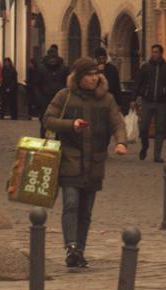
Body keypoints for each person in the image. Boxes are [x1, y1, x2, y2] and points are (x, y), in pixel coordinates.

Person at [42, 56, 127, 270]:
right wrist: (71, 124)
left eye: (96, 74)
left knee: (86, 211)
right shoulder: (65, 96)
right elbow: (48, 120)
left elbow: (117, 122)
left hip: (95, 162)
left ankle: (80, 250)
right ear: (79, 77)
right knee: (71, 203)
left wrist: (121, 142)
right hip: (70, 159)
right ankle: (70, 246)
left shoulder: (106, 99)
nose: (94, 78)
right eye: (89, 74)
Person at [131, 44, 166, 162]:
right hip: (147, 101)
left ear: (161, 53)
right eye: (152, 52)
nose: (154, 54)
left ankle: (157, 155)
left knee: (160, 129)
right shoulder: (145, 67)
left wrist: (164, 90)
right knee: (143, 128)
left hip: (161, 103)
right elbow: (137, 83)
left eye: (156, 52)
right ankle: (145, 146)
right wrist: (133, 98)